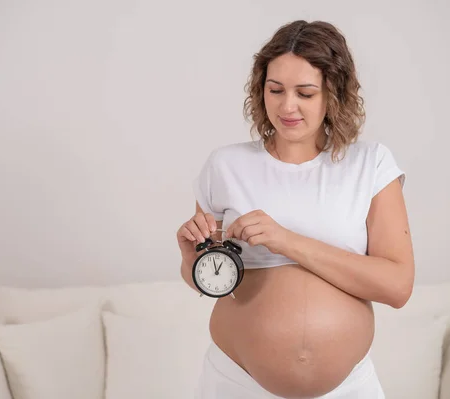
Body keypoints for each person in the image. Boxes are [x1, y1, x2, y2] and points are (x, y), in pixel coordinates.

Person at [176, 19, 415, 399]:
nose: (287, 106)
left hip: (346, 388)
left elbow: (398, 287)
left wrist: (285, 240)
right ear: (261, 90)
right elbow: (211, 278)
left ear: (332, 94)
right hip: (235, 382)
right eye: (276, 90)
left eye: (305, 93)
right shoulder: (224, 165)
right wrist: (190, 259)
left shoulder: (371, 164)